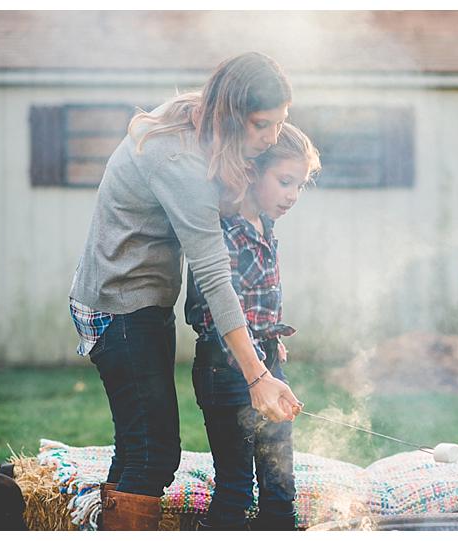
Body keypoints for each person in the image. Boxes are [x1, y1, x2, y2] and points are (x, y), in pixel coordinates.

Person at [68, 52, 301, 531]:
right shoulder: (181, 161)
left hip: (139, 297)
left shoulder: (202, 116)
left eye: (279, 123)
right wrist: (257, 377)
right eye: (261, 124)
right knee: (155, 454)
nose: (270, 138)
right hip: (118, 303)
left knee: (139, 445)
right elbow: (215, 276)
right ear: (232, 114)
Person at [185, 122, 320, 530]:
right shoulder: (223, 234)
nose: (293, 196)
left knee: (280, 484)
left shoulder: (265, 226)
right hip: (226, 373)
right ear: (250, 173)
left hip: (264, 364)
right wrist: (255, 361)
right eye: (285, 182)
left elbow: (257, 299)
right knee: (237, 487)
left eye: (300, 185)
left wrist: (270, 338)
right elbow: (215, 314)